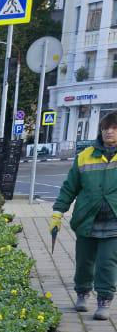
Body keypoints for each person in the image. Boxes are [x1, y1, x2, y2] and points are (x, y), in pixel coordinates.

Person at [51, 112, 117, 319]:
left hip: (114, 222)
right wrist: (57, 212)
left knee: (107, 262)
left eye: (114, 128)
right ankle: (82, 293)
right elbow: (70, 187)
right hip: (87, 220)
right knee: (84, 262)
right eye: (106, 128)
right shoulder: (85, 156)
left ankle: (104, 300)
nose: (109, 131)